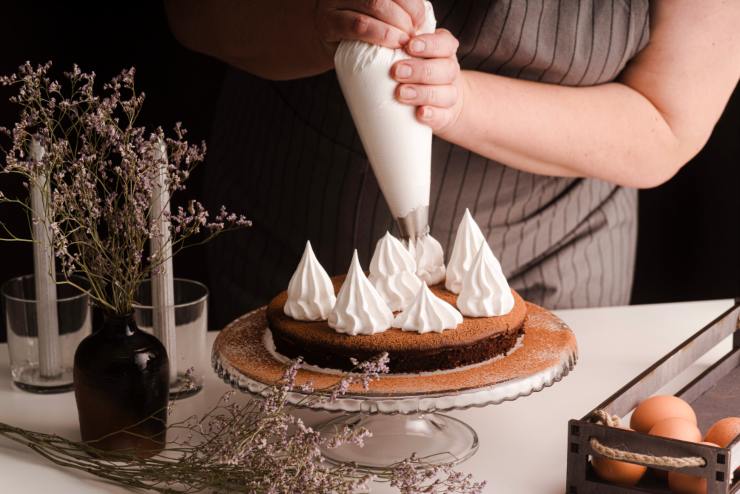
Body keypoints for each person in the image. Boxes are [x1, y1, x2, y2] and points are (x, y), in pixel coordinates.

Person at [165, 0, 740, 329]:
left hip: (556, 261)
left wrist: (456, 100)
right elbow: (191, 14)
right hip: (296, 238)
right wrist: (317, 23)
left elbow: (666, 123)